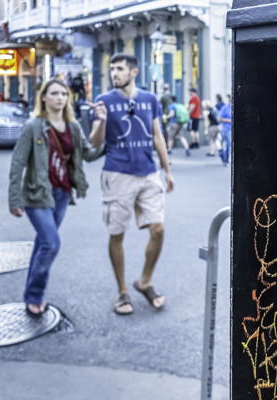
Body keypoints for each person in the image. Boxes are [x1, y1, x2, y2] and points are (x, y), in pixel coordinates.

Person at [8, 78, 102, 318]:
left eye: (63, 94)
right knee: (51, 243)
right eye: (54, 93)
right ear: (43, 97)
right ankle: (36, 295)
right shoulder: (33, 126)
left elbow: (89, 154)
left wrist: (104, 128)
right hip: (37, 195)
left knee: (43, 244)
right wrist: (14, 198)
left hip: (61, 194)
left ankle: (30, 293)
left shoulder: (73, 126)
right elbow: (18, 162)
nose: (60, 98)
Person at [89, 53, 175, 315]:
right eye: (112, 69)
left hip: (148, 172)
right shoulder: (104, 101)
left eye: (119, 69)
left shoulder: (149, 99)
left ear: (133, 72)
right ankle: (122, 291)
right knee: (117, 234)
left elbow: (157, 134)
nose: (114, 74)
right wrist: (101, 121)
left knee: (158, 229)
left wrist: (167, 170)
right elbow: (95, 143)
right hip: (117, 173)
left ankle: (144, 281)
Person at [219, 94, 232, 166]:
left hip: (233, 130)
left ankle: (226, 159)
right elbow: (220, 119)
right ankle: (226, 160)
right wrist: (230, 120)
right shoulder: (225, 108)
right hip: (227, 129)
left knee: (229, 145)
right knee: (228, 144)